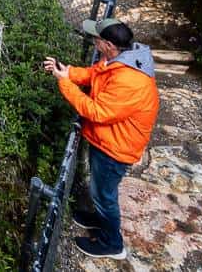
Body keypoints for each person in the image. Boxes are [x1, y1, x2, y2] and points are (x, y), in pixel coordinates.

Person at [44, 18, 160, 260]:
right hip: (110, 140)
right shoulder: (118, 59)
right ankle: (100, 220)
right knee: (101, 192)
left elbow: (98, 112)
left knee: (104, 196)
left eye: (96, 38)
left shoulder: (129, 80)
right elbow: (94, 75)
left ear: (107, 44)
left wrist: (65, 84)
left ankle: (112, 244)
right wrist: (70, 73)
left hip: (116, 148)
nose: (93, 40)